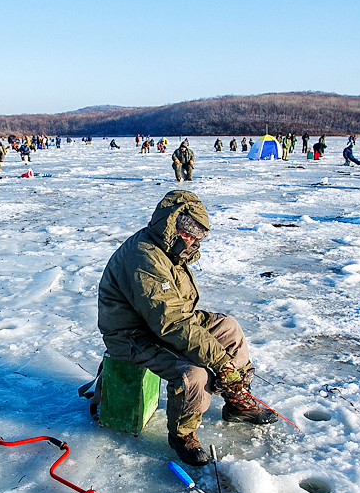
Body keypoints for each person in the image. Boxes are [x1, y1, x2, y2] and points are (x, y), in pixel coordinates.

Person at [97, 190, 276, 467]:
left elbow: (179, 315)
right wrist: (220, 361)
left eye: (197, 237)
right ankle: (183, 435)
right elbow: (172, 324)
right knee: (194, 373)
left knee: (228, 328)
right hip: (133, 335)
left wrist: (227, 364)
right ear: (170, 225)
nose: (192, 242)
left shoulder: (170, 250)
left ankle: (236, 399)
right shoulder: (144, 258)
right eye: (188, 234)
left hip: (164, 322)